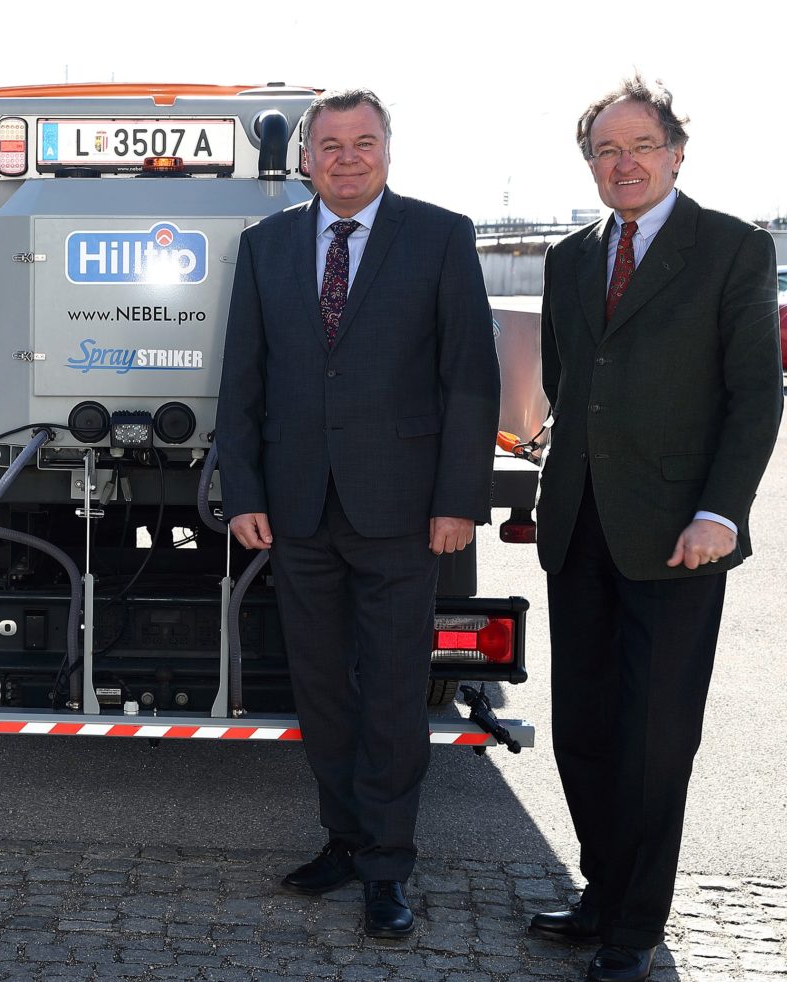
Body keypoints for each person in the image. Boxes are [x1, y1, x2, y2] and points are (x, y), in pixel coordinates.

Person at [215, 88, 499, 939]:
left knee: (392, 693)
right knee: (321, 691)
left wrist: (458, 501)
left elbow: (471, 379)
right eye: (330, 144)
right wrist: (247, 494)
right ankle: (342, 839)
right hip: (298, 512)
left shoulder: (441, 236)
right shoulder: (265, 245)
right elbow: (243, 380)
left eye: (363, 142)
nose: (346, 157)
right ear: (306, 157)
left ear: (388, 150)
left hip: (405, 513)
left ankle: (387, 866)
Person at [529, 75, 781, 982]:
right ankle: (601, 894)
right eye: (605, 150)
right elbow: (568, 385)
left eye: (640, 145)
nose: (622, 163)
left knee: (655, 736)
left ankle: (637, 926)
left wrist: (721, 509)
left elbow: (757, 394)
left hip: (682, 535)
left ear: (677, 152)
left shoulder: (732, 250)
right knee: (583, 728)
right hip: (579, 528)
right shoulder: (567, 258)